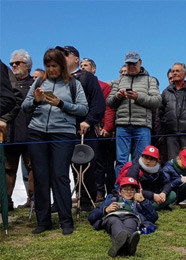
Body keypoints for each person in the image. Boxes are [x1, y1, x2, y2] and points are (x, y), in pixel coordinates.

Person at [22, 48, 88, 235]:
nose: (51, 69)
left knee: (60, 176)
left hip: (63, 134)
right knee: (41, 177)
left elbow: (83, 109)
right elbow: (24, 106)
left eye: (55, 66)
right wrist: (35, 100)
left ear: (62, 66)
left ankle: (66, 220)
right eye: (48, 66)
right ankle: (43, 221)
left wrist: (61, 104)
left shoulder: (74, 84)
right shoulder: (38, 81)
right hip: (37, 133)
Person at [58, 45, 106, 211]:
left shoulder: (86, 77)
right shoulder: (57, 78)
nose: (61, 57)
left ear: (76, 59)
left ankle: (87, 201)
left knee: (87, 165)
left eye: (66, 54)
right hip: (63, 129)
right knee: (66, 165)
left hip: (85, 128)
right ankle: (65, 199)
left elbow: (99, 102)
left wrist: (89, 121)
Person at [107, 51, 161, 179]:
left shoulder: (150, 80)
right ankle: (120, 190)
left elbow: (157, 101)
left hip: (142, 126)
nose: (131, 66)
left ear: (140, 63)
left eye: (134, 63)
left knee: (142, 161)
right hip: (122, 126)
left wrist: (138, 97)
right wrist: (117, 96)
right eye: (129, 63)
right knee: (121, 161)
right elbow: (110, 102)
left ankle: (140, 191)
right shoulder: (118, 81)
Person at [88, 177, 158, 257]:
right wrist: (105, 210)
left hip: (131, 216)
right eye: (125, 189)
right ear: (120, 192)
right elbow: (91, 216)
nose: (129, 192)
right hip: (112, 217)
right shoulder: (111, 200)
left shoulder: (138, 203)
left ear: (136, 192)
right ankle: (128, 247)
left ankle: (120, 246)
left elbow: (154, 217)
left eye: (132, 190)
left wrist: (143, 201)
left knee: (131, 222)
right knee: (115, 222)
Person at [2, 49, 35, 209]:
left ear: (28, 65)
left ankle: (33, 200)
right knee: (8, 168)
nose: (14, 66)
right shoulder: (6, 85)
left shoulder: (36, 84)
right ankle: (5, 201)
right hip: (11, 133)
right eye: (12, 64)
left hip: (30, 132)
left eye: (18, 63)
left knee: (32, 167)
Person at [80, 57, 116, 201]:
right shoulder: (75, 84)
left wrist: (107, 126)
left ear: (94, 69)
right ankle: (82, 193)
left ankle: (100, 192)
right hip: (81, 127)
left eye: (86, 65)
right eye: (81, 65)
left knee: (99, 161)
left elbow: (108, 108)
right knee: (81, 160)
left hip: (98, 127)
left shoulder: (103, 86)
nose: (83, 67)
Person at [122, 145, 176, 210]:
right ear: (142, 157)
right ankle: (150, 208)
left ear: (156, 161)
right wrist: (152, 195)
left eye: (151, 159)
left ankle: (152, 206)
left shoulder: (158, 170)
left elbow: (167, 183)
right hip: (139, 197)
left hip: (154, 196)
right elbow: (133, 190)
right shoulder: (135, 169)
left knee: (172, 194)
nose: (148, 161)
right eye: (146, 157)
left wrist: (164, 193)